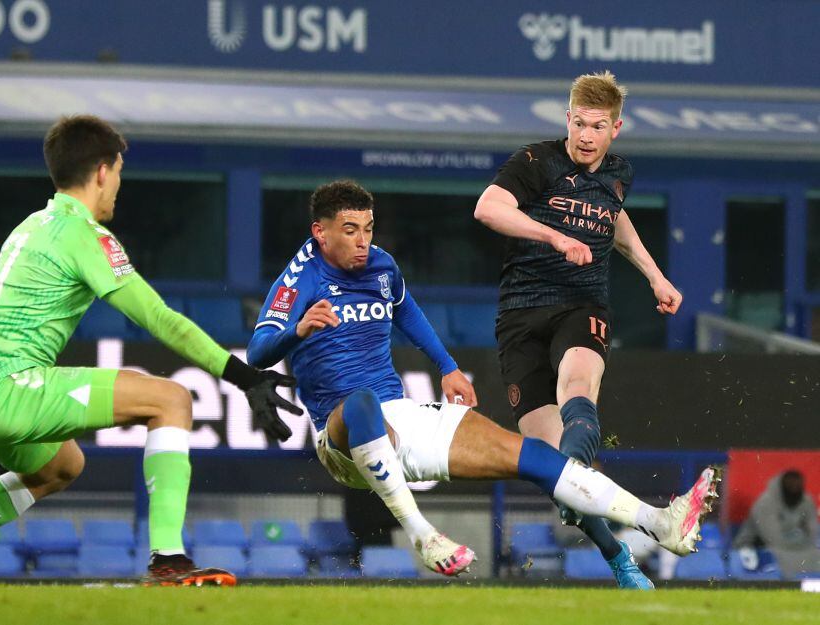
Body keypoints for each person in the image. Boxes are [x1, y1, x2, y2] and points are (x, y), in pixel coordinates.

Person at [0, 115, 300, 586]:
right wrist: (244, 376)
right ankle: (169, 561)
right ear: (103, 170)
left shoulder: (32, 226)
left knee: (62, 465)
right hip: (4, 386)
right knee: (172, 399)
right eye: (119, 172)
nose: (119, 185)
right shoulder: (85, 237)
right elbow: (159, 319)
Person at [247, 179, 716, 578]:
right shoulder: (298, 282)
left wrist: (447, 366)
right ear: (320, 232)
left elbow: (407, 313)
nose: (362, 241)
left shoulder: (381, 267)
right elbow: (258, 352)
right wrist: (298, 329)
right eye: (350, 231)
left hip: (402, 418)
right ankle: (424, 536)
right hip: (340, 435)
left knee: (530, 455)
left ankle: (659, 522)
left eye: (368, 228)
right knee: (363, 401)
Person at [473, 71, 682, 589]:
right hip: (520, 316)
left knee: (579, 390)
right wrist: (553, 236)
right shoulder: (536, 161)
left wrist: (655, 275)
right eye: (580, 123)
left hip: (581, 305)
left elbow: (614, 219)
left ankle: (575, 491)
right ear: (567, 119)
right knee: (548, 459)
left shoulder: (618, 174)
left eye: (599, 126)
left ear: (617, 128)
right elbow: (488, 208)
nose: (586, 136)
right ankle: (619, 557)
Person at [732, 470, 820, 578]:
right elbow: (772, 537)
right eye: (791, 485)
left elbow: (812, 530)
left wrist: (804, 545)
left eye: (797, 485)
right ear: (782, 484)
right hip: (756, 546)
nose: (794, 488)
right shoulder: (765, 502)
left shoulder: (806, 501)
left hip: (790, 545)